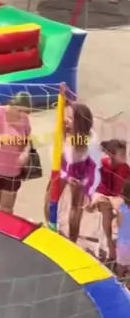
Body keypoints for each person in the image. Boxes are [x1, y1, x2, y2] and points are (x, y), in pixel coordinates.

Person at [45, 102, 102, 243]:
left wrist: (88, 188)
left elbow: (94, 165)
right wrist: (65, 176)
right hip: (61, 167)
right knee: (50, 200)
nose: (65, 120)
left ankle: (72, 240)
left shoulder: (90, 139)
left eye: (70, 118)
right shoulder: (61, 133)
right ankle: (51, 228)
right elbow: (54, 156)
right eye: (66, 116)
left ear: (80, 122)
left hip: (80, 171)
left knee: (76, 206)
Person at [90, 139, 130, 261]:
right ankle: (109, 243)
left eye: (125, 153)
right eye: (121, 154)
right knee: (106, 210)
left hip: (117, 197)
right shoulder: (102, 165)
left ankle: (122, 244)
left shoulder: (125, 168)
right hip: (102, 194)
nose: (125, 156)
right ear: (112, 155)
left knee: (123, 212)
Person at [116, 180, 130, 280]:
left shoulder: (121, 208)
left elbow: (119, 224)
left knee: (120, 265)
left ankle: (119, 279)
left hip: (122, 243)